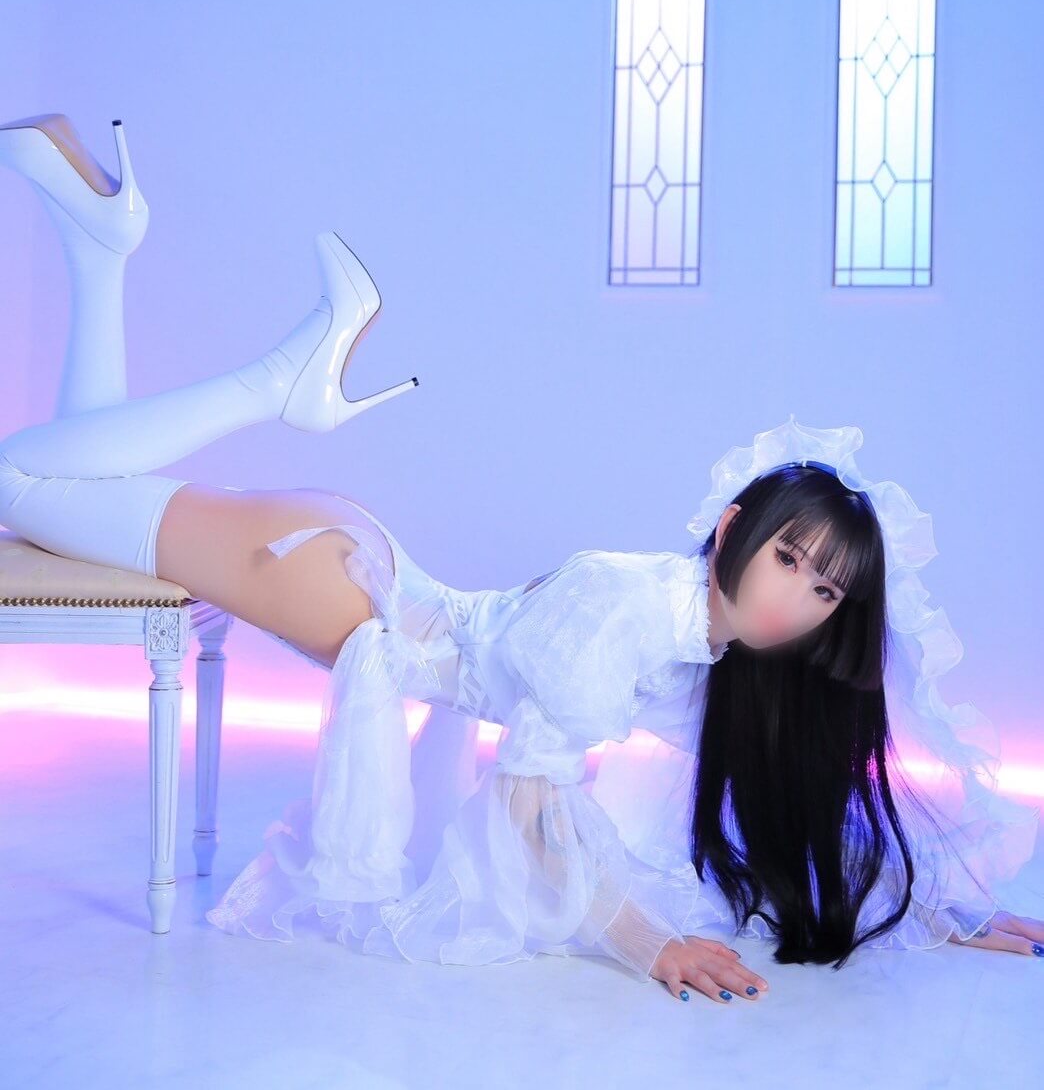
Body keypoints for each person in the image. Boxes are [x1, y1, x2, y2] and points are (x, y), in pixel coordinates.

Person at [1, 114, 1040, 1009]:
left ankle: (100, 245)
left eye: (824, 589)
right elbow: (530, 804)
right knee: (16, 479)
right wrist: (648, 944)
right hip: (337, 585)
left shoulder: (705, 647)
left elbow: (802, 800)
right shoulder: (629, 608)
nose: (797, 598)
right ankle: (285, 377)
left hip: (353, 572)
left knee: (73, 478)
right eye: (787, 557)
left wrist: (936, 911)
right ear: (730, 528)